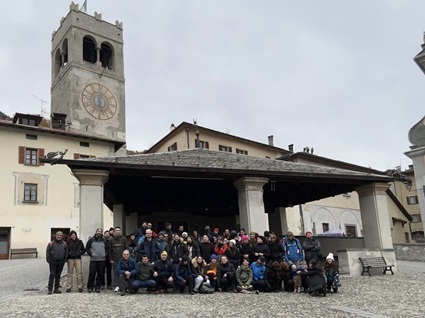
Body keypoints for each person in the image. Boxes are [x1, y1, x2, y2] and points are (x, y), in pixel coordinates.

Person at [86, 228, 110, 293]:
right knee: (92, 274)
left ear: (102, 233)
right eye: (98, 231)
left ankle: (98, 287)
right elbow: (87, 248)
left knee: (100, 274)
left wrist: (105, 254)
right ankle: (90, 287)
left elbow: (107, 249)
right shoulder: (91, 240)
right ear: (96, 232)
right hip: (93, 260)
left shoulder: (104, 240)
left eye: (100, 231)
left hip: (102, 260)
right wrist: (91, 254)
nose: (99, 232)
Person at [110, 226, 129, 292]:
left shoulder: (124, 239)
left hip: (123, 259)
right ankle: (117, 285)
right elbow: (110, 250)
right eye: (116, 230)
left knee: (124, 272)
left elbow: (126, 248)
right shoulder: (111, 240)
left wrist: (127, 257)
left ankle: (124, 286)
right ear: (114, 231)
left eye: (119, 230)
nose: (117, 231)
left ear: (120, 231)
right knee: (115, 273)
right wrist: (110, 259)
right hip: (115, 259)